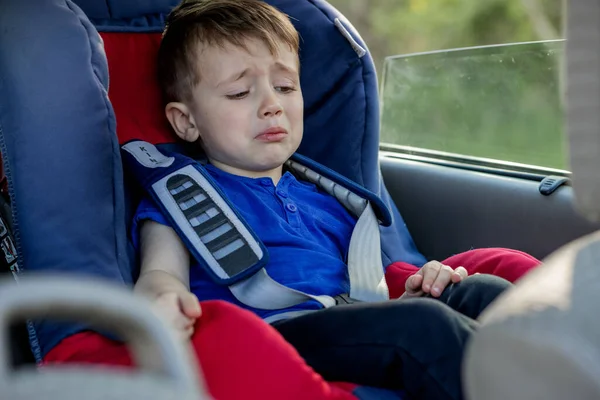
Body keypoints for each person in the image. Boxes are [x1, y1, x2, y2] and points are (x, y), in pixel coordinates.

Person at [128, 1, 539, 399]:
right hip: (277, 336)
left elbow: (368, 288)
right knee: (421, 326)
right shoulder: (184, 198)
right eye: (239, 93)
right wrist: (162, 296)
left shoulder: (324, 195)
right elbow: (160, 275)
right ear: (186, 121)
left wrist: (415, 286)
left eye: (285, 86)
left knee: (482, 291)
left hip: (352, 324)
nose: (272, 105)